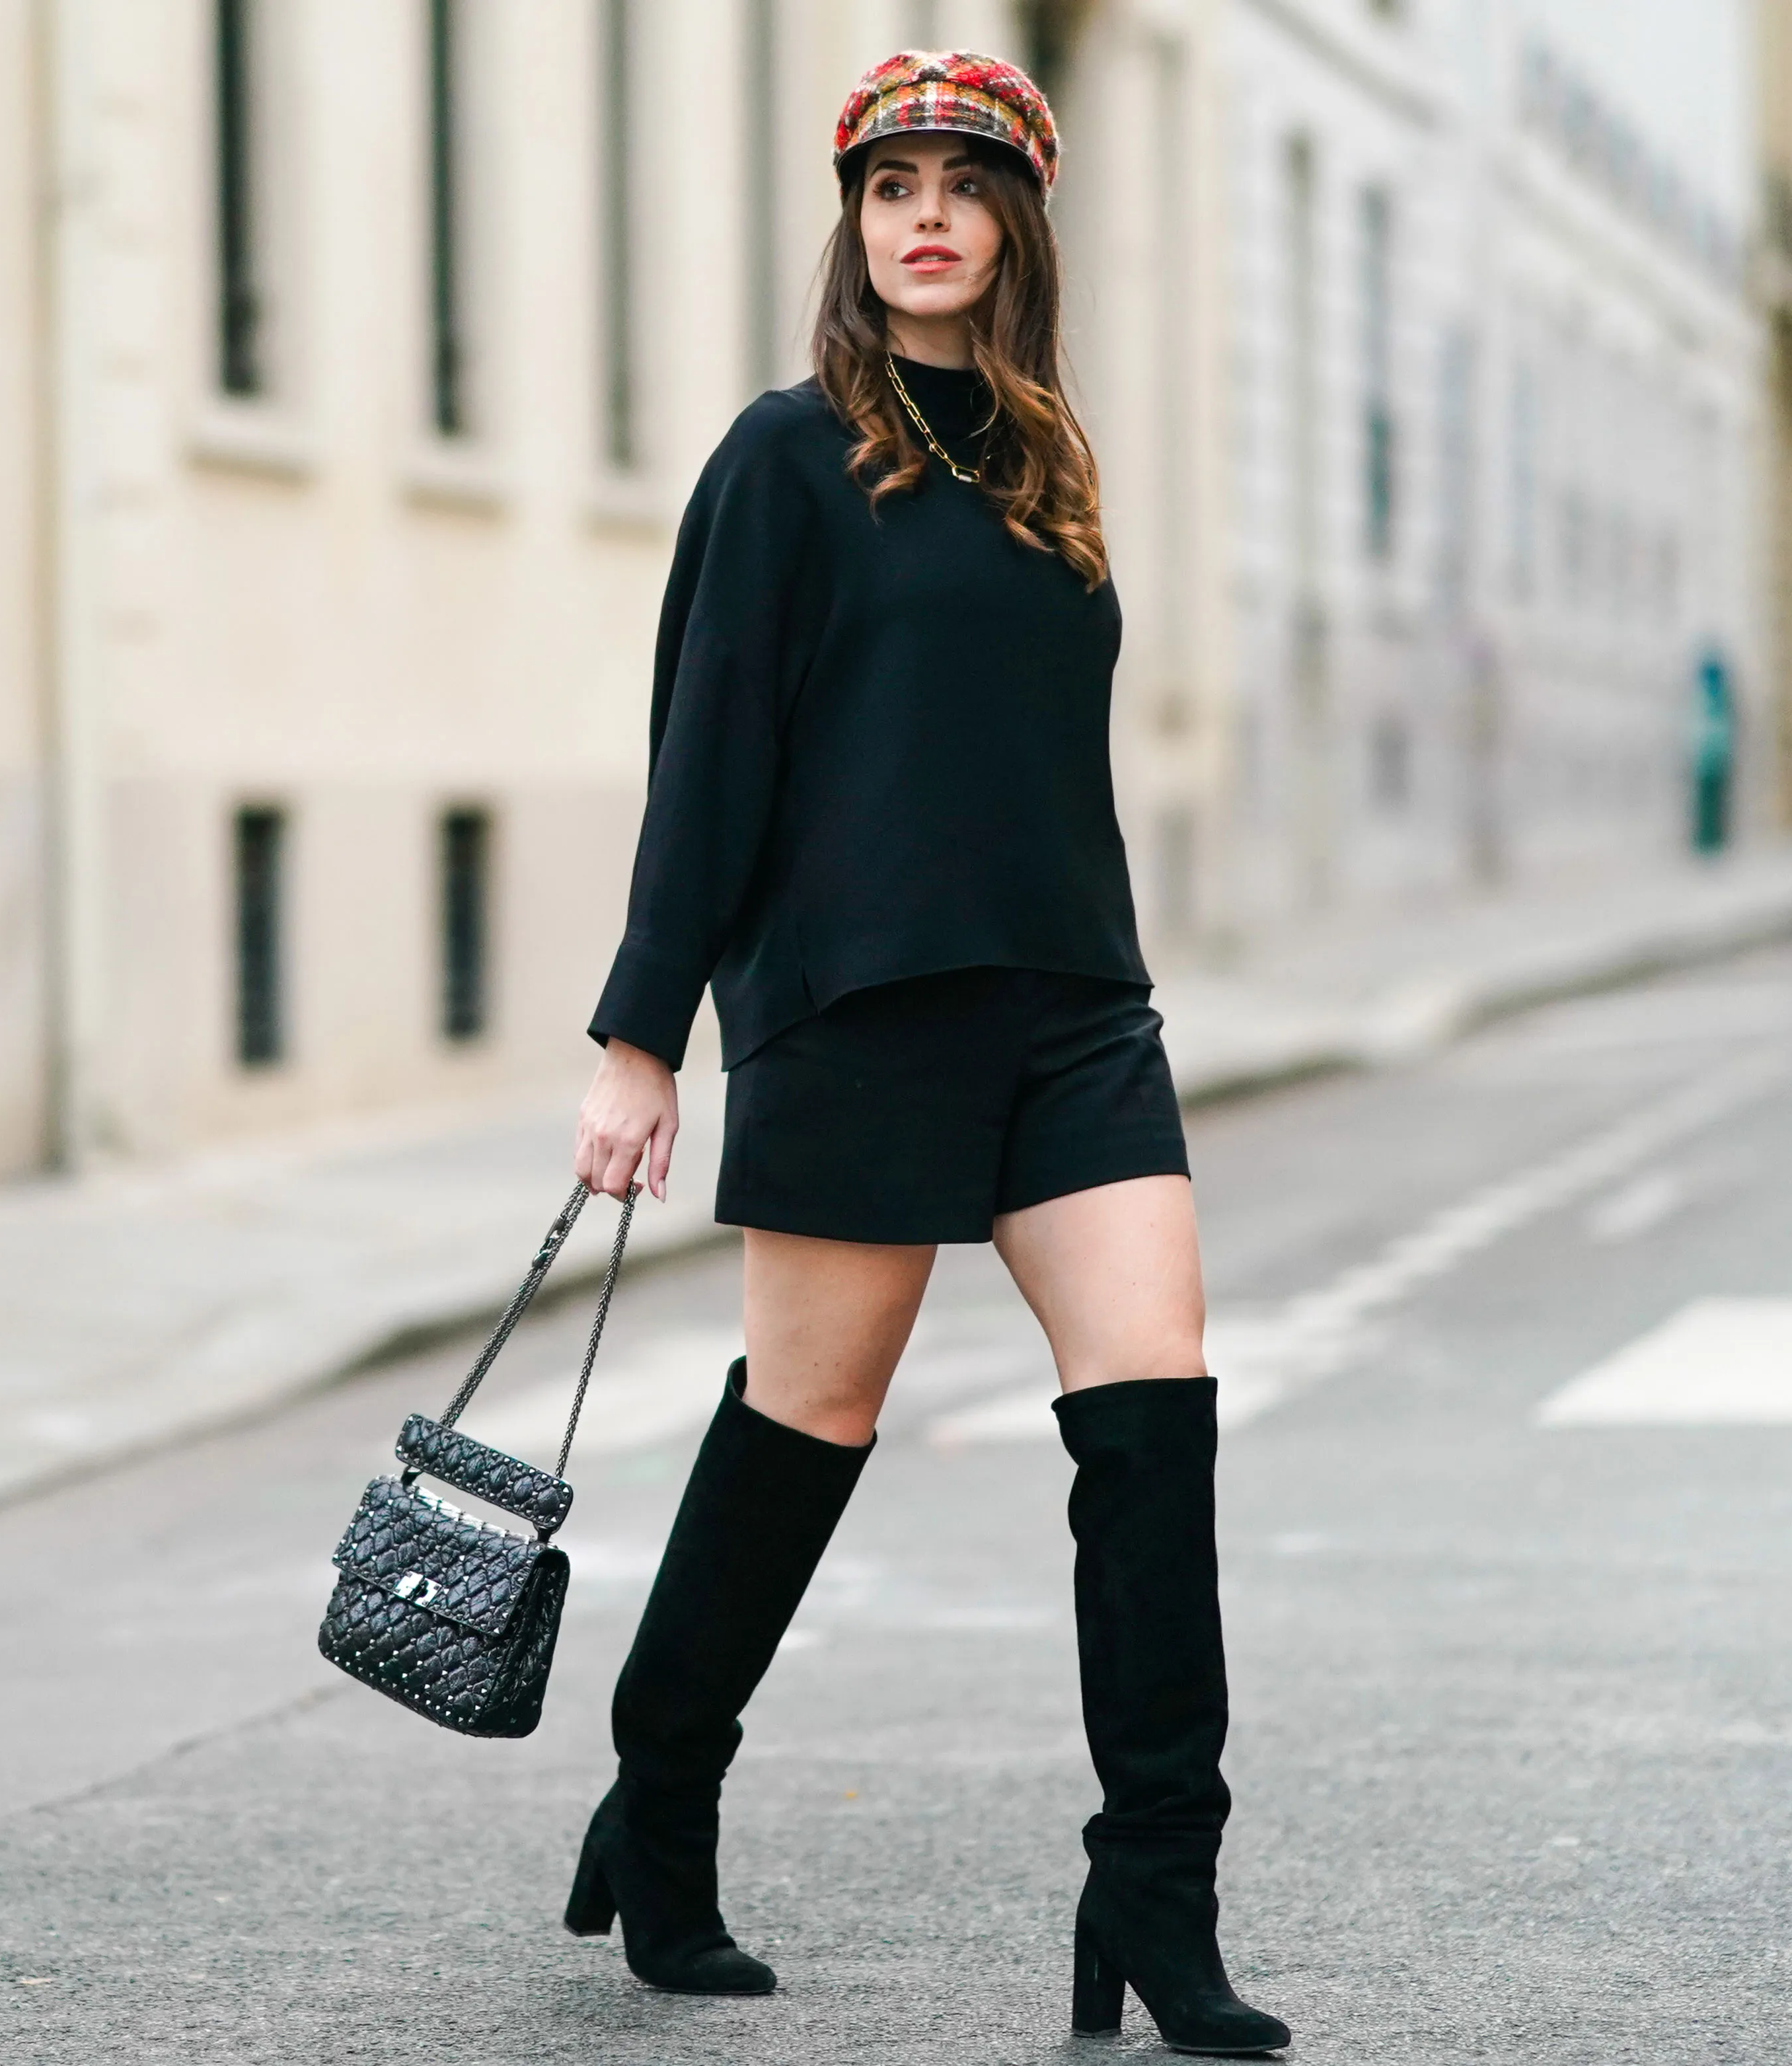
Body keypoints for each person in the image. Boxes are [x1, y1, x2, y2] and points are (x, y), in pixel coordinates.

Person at [562, 50, 1292, 2058]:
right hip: (856, 1009)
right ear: (854, 221)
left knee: (1154, 1426)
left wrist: (1114, 980)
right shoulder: (783, 461)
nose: (924, 214)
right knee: (804, 1428)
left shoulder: (1049, 459)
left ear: (1018, 224)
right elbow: (705, 759)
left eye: (963, 183)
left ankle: (1155, 1889)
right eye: (891, 184)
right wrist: (643, 1033)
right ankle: (665, 1790)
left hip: (1072, 1013)